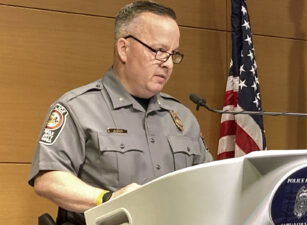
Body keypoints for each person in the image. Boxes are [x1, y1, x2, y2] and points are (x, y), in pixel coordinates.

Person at [28, 1, 212, 224]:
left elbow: (207, 181)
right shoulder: (77, 108)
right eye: (159, 51)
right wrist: (109, 199)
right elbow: (48, 180)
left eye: (173, 54)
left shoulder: (182, 117)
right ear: (124, 48)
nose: (168, 64)